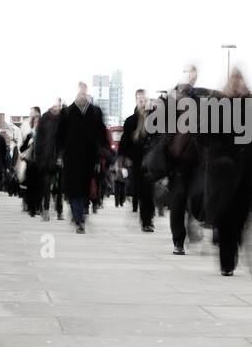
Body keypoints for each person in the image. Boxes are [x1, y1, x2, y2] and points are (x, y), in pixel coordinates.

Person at [201, 68, 252, 276]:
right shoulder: (217, 103)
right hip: (222, 168)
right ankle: (227, 262)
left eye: (240, 81)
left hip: (245, 169)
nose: (237, 85)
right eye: (234, 81)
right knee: (225, 213)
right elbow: (203, 133)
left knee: (239, 215)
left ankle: (230, 238)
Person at [164, 65, 210, 255]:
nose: (192, 77)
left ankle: (193, 222)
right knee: (178, 201)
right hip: (177, 160)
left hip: (196, 159)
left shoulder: (199, 100)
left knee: (198, 195)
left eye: (195, 74)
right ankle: (178, 241)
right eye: (190, 73)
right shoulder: (172, 98)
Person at [56, 82, 109, 233]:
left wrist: (103, 151)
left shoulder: (95, 112)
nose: (82, 95)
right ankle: (78, 219)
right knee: (73, 188)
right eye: (80, 93)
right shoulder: (67, 113)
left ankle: (80, 214)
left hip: (89, 158)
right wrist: (59, 154)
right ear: (75, 94)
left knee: (85, 188)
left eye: (84, 93)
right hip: (71, 157)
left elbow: (101, 134)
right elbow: (59, 136)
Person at [117, 89, 157, 232]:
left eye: (144, 99)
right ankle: (146, 221)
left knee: (149, 191)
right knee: (141, 191)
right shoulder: (130, 121)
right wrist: (122, 158)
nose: (142, 102)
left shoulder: (155, 118)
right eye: (140, 99)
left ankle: (148, 219)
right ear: (136, 101)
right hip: (137, 160)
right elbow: (124, 142)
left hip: (152, 161)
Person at [34, 99, 63, 221]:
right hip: (45, 159)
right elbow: (38, 140)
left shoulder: (63, 119)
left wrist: (61, 156)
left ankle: (59, 212)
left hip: (59, 158)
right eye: (55, 105)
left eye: (58, 105)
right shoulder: (44, 119)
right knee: (45, 185)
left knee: (59, 187)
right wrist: (38, 156)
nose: (57, 108)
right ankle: (46, 210)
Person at [19, 107, 42, 217]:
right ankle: (32, 208)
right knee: (31, 187)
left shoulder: (43, 136)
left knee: (38, 187)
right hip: (30, 163)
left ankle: (36, 207)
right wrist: (28, 144)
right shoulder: (29, 135)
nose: (37, 124)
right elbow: (22, 148)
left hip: (40, 163)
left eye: (38, 122)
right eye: (35, 122)